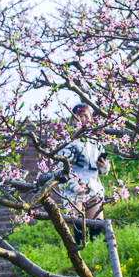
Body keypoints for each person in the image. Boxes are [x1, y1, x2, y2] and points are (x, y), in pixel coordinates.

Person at [56, 103, 112, 245]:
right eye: (78, 117)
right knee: (78, 225)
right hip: (74, 189)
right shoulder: (68, 141)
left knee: (97, 225)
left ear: (91, 119)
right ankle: (80, 255)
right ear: (72, 120)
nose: (82, 120)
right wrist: (76, 187)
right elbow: (62, 169)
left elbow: (104, 170)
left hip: (93, 188)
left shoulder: (96, 141)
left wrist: (103, 166)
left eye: (85, 116)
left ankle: (95, 255)